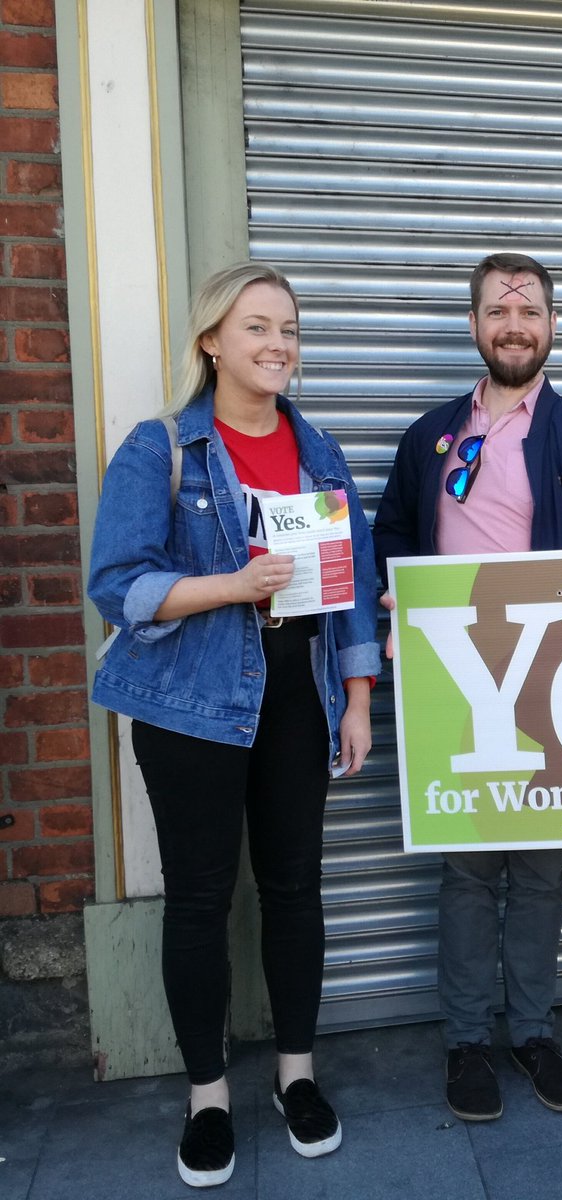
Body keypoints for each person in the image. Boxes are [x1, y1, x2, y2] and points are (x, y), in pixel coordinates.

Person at [87, 262, 381, 1186]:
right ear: (212, 341)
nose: (278, 345)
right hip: (190, 704)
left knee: (296, 889)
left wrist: (360, 699)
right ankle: (206, 1096)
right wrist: (233, 586)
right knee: (201, 898)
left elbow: (355, 595)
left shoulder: (319, 453)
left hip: (299, 698)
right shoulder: (161, 448)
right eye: (257, 328)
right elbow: (116, 586)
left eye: (289, 328)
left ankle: (297, 1077)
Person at [373, 251, 562, 1122]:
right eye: (498, 309)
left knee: (539, 873)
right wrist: (390, 602)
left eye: (529, 309)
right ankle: (465, 1042)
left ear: (550, 326)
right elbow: (387, 534)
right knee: (465, 872)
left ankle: (532, 1032)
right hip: (453, 677)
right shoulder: (431, 434)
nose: (513, 323)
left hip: (548, 681)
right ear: (473, 326)